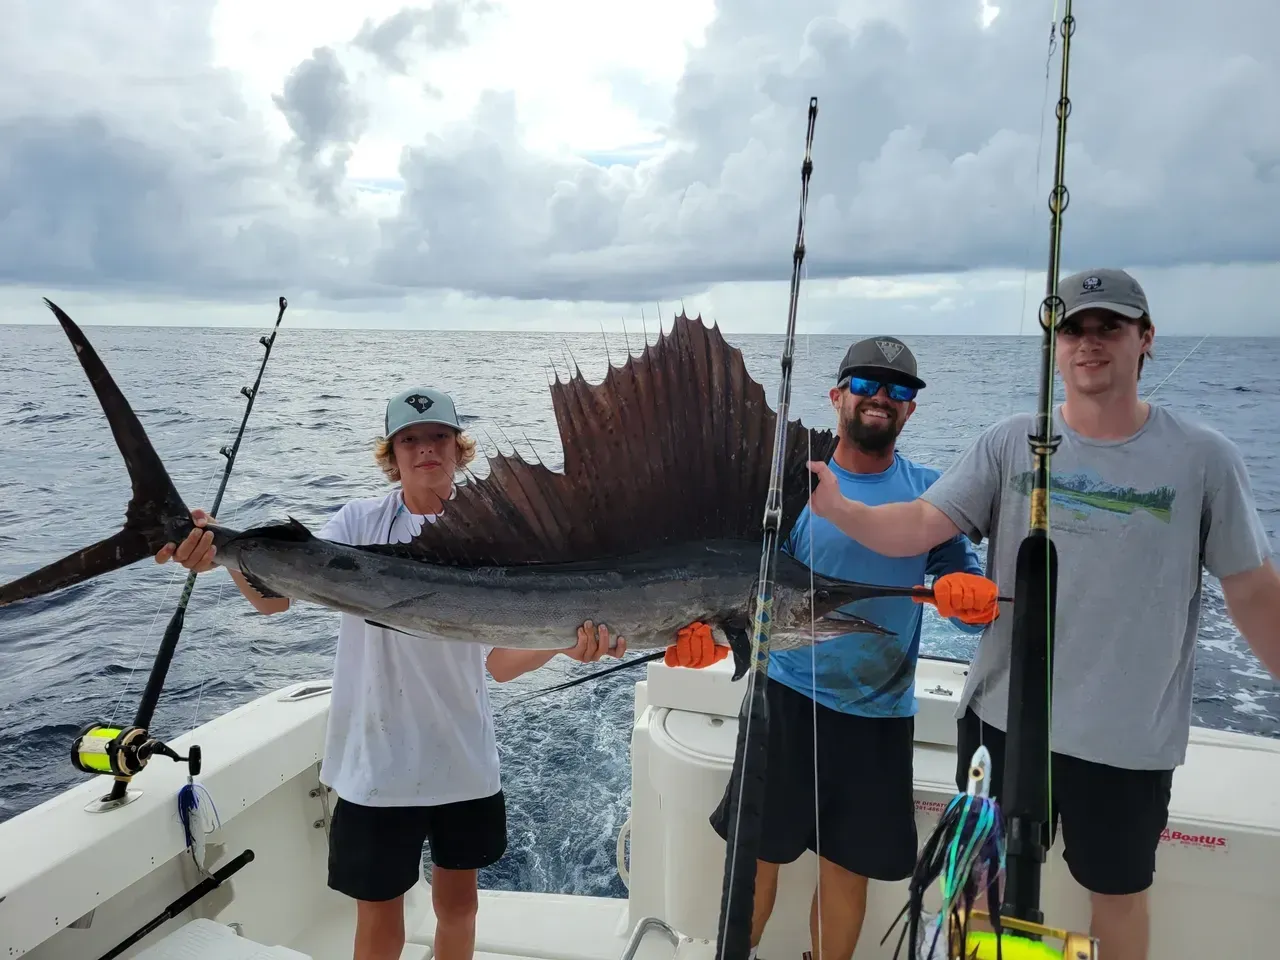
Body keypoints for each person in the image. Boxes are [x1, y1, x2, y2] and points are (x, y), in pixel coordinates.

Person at [805, 269, 1280, 960]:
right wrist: (840, 507)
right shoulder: (1007, 442)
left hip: (1127, 741)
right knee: (975, 891)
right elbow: (921, 525)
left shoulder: (1205, 458)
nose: (1090, 343)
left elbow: (1253, 590)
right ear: (1056, 347)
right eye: (1075, 329)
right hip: (1002, 720)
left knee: (1116, 897)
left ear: (1145, 339)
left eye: (1109, 327)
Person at [157, 385, 628, 960]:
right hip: (375, 763)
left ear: (459, 449)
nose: (426, 450)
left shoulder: (497, 536)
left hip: (463, 759)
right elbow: (277, 601)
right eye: (411, 440)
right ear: (392, 455)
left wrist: (565, 644)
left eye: (438, 438)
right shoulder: (359, 522)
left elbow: (500, 665)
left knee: (459, 908)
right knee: (379, 920)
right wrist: (219, 548)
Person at [692, 336, 1002, 960]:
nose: (880, 397)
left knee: (845, 870)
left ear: (911, 410)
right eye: (864, 385)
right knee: (756, 857)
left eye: (897, 389)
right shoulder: (789, 485)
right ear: (836, 397)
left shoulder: (930, 495)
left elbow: (962, 598)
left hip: (877, 716)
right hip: (781, 698)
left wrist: (966, 592)